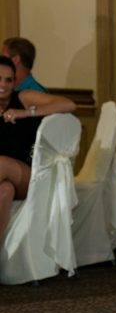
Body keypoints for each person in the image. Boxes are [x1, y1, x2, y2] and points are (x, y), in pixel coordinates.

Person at [0, 56, 77, 240]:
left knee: (1, 163)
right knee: (5, 191)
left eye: (9, 80)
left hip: (32, 175)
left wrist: (26, 112)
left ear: (14, 82)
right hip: (6, 179)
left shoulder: (23, 98)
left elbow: (69, 104)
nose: (3, 84)